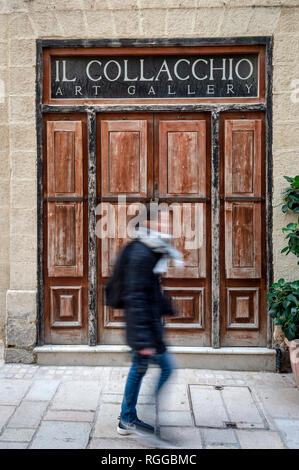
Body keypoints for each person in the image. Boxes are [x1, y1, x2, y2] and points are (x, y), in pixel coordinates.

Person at [116, 204, 183, 436]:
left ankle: (127, 418)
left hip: (146, 327)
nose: (168, 227)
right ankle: (146, 417)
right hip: (143, 330)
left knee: (139, 368)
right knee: (166, 368)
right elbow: (137, 297)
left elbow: (150, 291)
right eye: (163, 222)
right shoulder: (141, 253)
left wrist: (167, 309)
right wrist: (144, 340)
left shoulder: (151, 250)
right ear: (149, 224)